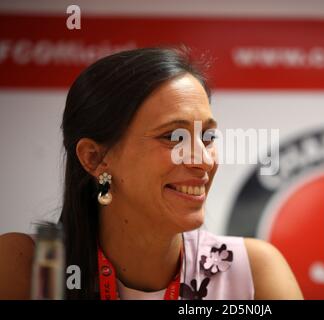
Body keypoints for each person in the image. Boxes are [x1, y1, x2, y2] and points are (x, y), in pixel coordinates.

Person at [0, 47, 303, 300]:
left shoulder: (253, 272)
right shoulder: (24, 266)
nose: (203, 160)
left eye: (208, 137)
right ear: (95, 158)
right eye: (173, 137)